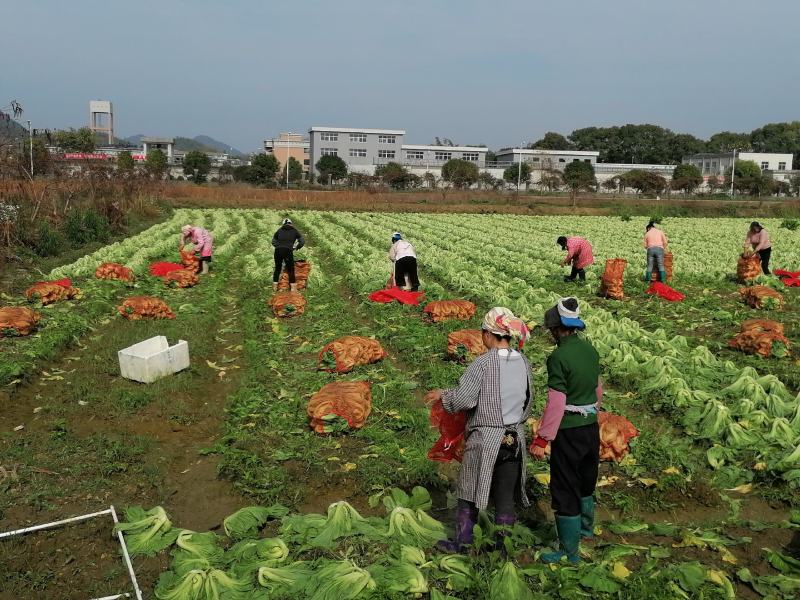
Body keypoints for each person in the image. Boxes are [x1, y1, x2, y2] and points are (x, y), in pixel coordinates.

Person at [425, 307, 532, 553]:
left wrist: (445, 395)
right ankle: (503, 548)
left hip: (486, 437)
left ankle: (463, 543)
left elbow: (464, 399)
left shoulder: (483, 364)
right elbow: (528, 398)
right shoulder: (522, 361)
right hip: (514, 438)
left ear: (487, 334)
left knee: (469, 490)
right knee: (505, 497)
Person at [531, 297, 601, 564]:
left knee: (565, 486)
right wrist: (593, 411)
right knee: (586, 480)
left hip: (569, 431)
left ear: (558, 328)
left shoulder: (559, 357)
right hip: (590, 427)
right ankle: (586, 531)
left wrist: (542, 438)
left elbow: (557, 402)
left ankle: (569, 552)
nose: (550, 334)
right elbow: (597, 389)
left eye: (551, 329)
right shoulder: (590, 351)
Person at [271, 218, 305, 292]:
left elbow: (273, 241)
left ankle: (274, 288)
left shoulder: (279, 230)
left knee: (277, 268)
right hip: (288, 250)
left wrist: (279, 246)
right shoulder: (295, 230)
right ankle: (293, 289)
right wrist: (296, 247)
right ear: (291, 223)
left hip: (278, 251)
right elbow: (302, 241)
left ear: (283, 224)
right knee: (291, 270)